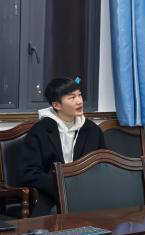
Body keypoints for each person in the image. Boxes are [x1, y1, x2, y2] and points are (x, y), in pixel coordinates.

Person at [20, 77, 105, 216]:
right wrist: (63, 187)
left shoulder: (92, 130)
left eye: (79, 95)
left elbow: (103, 166)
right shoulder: (40, 131)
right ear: (57, 105)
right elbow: (30, 173)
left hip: (89, 194)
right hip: (51, 196)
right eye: (72, 98)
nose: (79, 101)